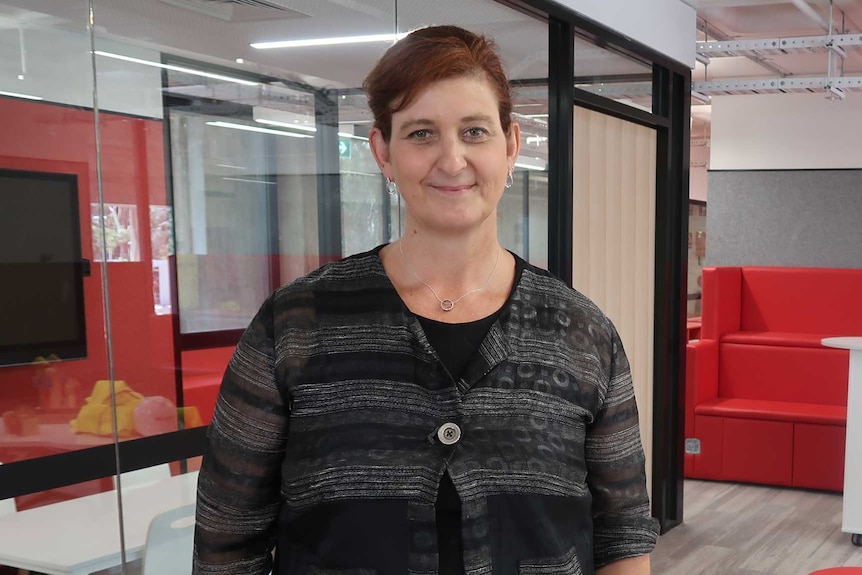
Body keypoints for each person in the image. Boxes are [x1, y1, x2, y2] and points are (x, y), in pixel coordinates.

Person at [193, 24, 659, 575]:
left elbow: (622, 536)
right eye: (421, 133)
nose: (452, 159)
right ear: (383, 152)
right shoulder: (295, 325)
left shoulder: (582, 333)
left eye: (475, 131)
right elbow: (228, 542)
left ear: (510, 147)